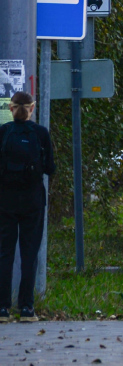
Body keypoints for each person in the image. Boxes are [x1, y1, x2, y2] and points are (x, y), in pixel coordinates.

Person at [0, 92, 55, 323]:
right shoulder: (40, 133)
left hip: (5, 201)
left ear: (10, 108)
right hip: (33, 202)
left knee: (4, 253)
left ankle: (2, 309)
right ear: (32, 108)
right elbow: (50, 168)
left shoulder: (3, 132)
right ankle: (26, 308)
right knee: (29, 254)